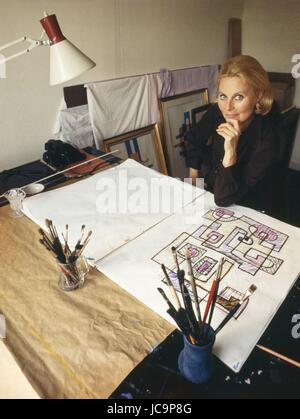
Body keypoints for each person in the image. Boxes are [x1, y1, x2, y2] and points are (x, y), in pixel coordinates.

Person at [185, 55, 283, 210]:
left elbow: (224, 199)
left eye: (238, 97)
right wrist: (193, 179)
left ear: (258, 95)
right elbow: (194, 139)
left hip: (250, 200)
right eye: (223, 96)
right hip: (215, 186)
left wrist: (230, 151)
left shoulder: (268, 138)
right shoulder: (218, 110)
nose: (228, 107)